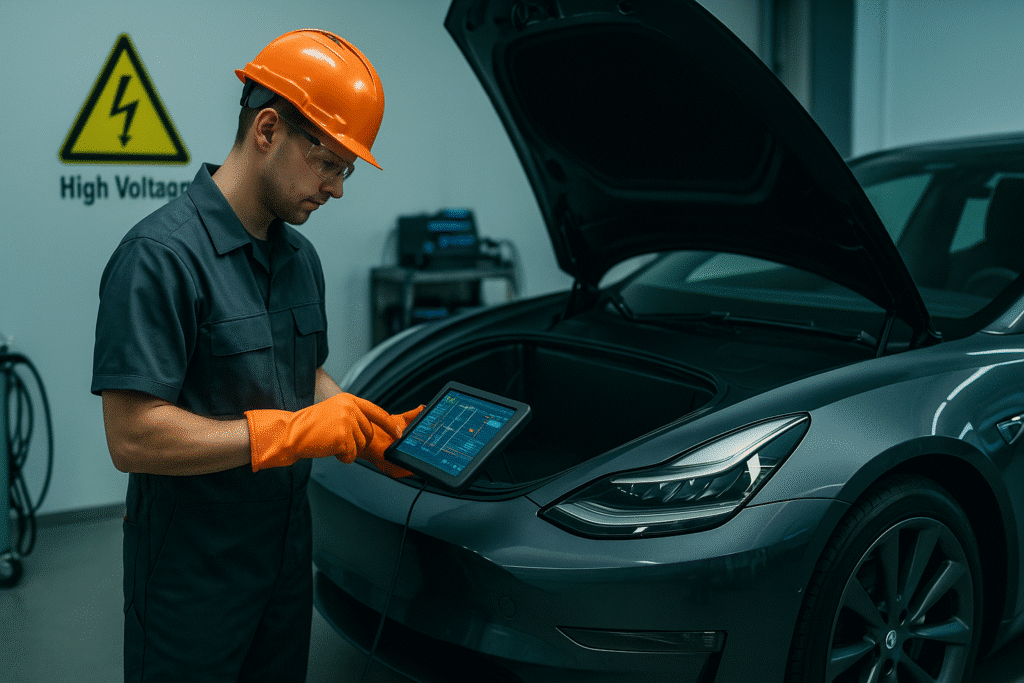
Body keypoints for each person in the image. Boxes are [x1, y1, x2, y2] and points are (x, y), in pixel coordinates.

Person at [91, 29, 420, 682]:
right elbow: (132, 436)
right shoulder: (159, 257)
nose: (337, 189)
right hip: (192, 580)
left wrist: (359, 421)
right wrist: (289, 432)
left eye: (347, 171)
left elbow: (306, 374)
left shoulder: (301, 258)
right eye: (329, 163)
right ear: (268, 129)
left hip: (285, 565)